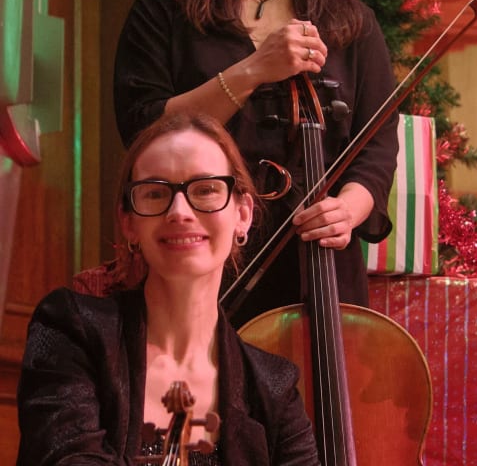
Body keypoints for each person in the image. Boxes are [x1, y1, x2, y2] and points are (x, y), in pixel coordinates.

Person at [112, 0, 398, 324]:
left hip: (322, 277)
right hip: (197, 258)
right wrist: (253, 70)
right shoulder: (161, 13)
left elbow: (376, 145)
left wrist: (350, 208)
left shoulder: (353, 26)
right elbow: (145, 130)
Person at [17, 112, 320, 465]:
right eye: (155, 193)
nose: (179, 211)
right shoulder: (71, 329)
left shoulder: (275, 387)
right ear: (128, 222)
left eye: (205, 189)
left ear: (243, 214)